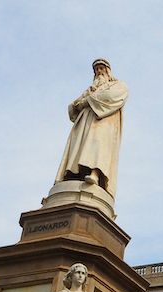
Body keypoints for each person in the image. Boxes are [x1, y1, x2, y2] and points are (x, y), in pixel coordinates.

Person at [55, 58, 128, 197]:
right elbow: (74, 105)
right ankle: (73, 175)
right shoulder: (90, 89)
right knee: (79, 148)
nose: (99, 72)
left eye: (101, 68)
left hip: (103, 121)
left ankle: (95, 174)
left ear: (107, 70)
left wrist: (87, 101)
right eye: (96, 70)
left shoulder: (118, 85)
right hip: (85, 122)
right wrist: (80, 103)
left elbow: (111, 97)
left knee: (98, 147)